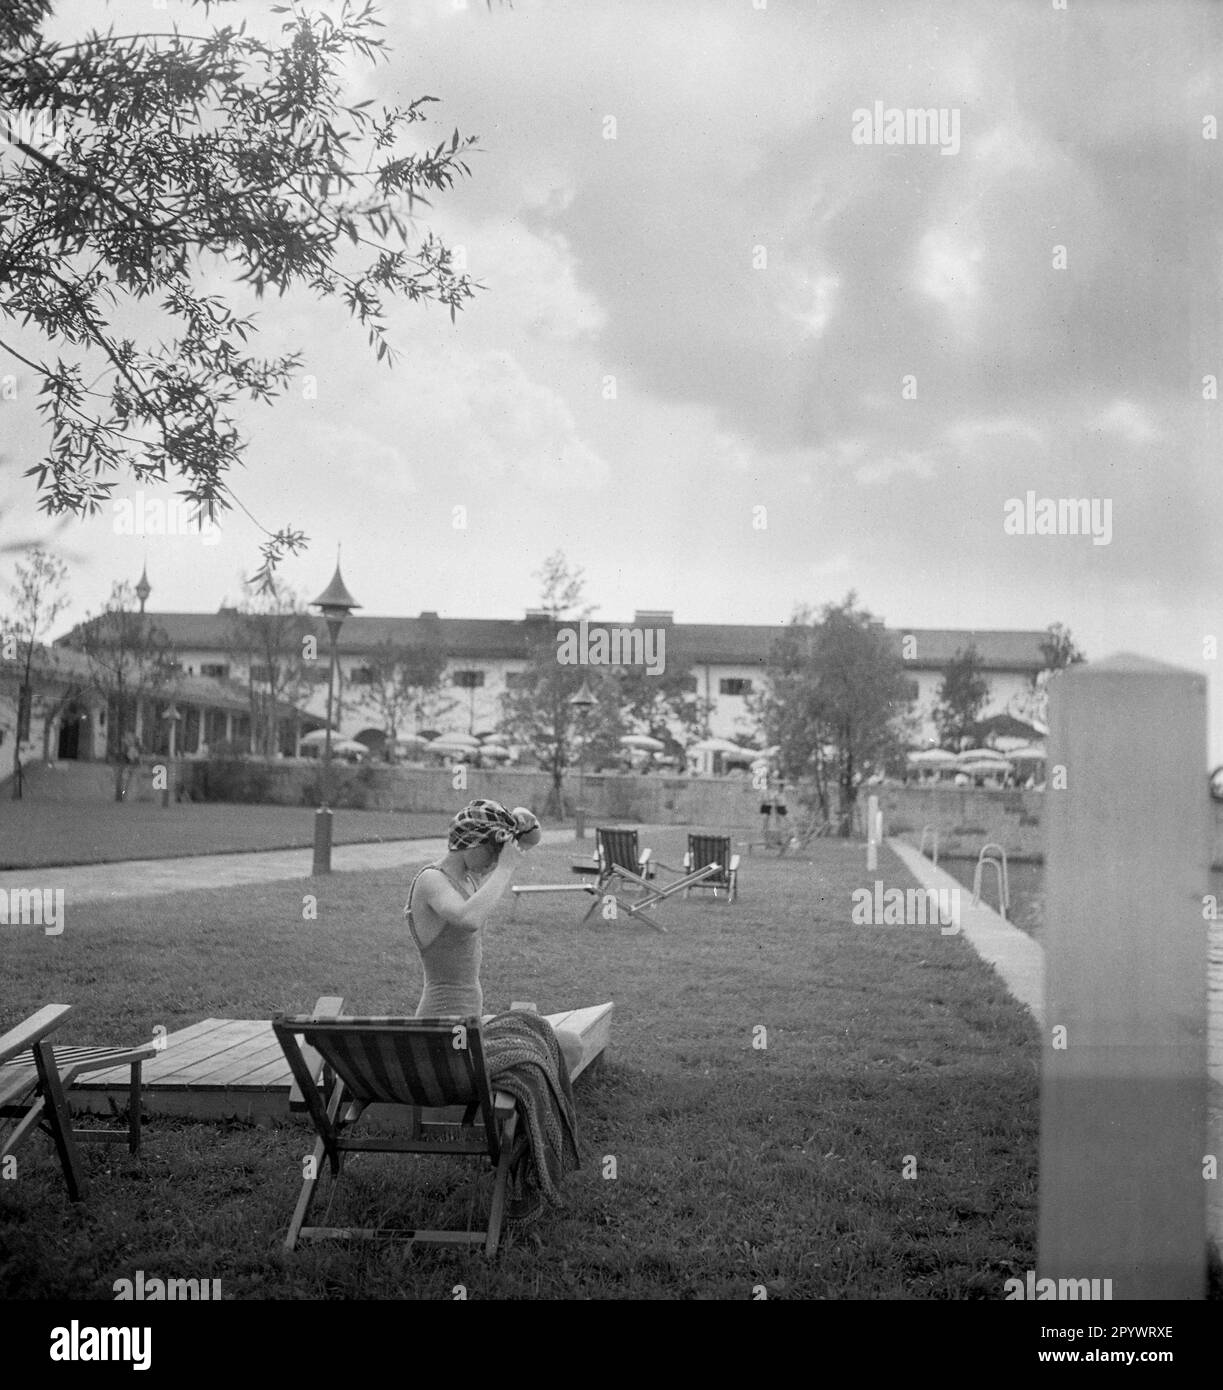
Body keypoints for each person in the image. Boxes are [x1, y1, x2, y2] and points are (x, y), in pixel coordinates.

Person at [404, 798, 584, 1075]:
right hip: (445, 1038)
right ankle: (536, 1112)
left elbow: (530, 839)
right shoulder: (431, 880)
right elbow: (468, 919)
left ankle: (529, 1111)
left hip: (466, 1029)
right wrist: (505, 868)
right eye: (493, 852)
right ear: (473, 843)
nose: (494, 862)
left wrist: (522, 822)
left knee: (559, 1039)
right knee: (565, 1046)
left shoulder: (467, 879)